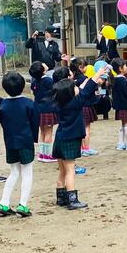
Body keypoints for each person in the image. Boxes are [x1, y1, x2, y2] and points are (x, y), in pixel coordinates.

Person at [51, 64, 108, 209]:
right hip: (71, 138)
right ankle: (72, 199)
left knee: (62, 170)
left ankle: (60, 196)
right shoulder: (77, 102)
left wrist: (85, 82)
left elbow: (83, 88)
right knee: (70, 170)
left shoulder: (59, 102)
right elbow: (88, 88)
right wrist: (99, 73)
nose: (77, 87)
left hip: (60, 137)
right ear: (71, 92)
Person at [0, 72, 40, 217]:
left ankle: (4, 202)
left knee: (14, 172)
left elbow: (2, 122)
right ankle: (23, 205)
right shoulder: (28, 103)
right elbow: (35, 122)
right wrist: (34, 138)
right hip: (25, 141)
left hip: (10, 142)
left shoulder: (3, 104)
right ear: (22, 86)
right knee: (27, 173)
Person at [29, 61, 58, 163]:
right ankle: (48, 155)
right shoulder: (48, 81)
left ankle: (42, 154)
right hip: (48, 109)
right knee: (49, 133)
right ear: (42, 69)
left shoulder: (34, 82)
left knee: (42, 132)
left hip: (38, 109)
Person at [70, 58, 99, 156]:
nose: (86, 67)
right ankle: (86, 148)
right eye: (85, 66)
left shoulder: (73, 79)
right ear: (80, 67)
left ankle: (82, 148)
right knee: (87, 128)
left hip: (78, 105)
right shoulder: (83, 78)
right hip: (86, 105)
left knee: (82, 127)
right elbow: (91, 89)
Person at [110, 58, 127, 150]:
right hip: (126, 105)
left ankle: (121, 143)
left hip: (119, 106)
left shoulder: (115, 80)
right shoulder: (124, 81)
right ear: (120, 68)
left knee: (123, 125)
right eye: (125, 65)